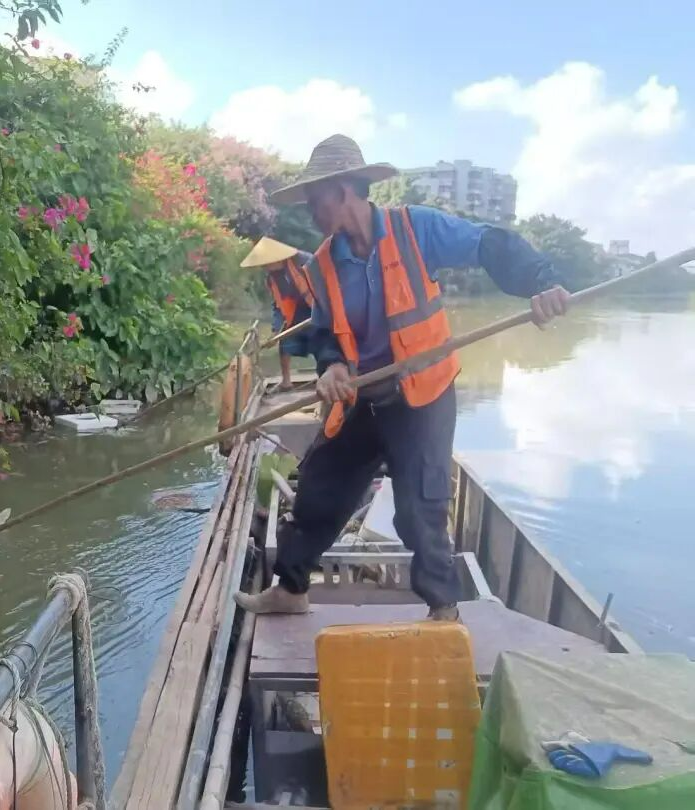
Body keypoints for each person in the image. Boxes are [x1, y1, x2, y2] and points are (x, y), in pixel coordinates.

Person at [234, 134, 572, 621]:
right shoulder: (323, 263)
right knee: (319, 486)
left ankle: (443, 609)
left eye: (315, 200)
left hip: (423, 396)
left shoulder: (416, 228)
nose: (310, 212)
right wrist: (332, 366)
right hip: (363, 397)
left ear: (344, 190)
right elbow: (323, 329)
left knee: (419, 508)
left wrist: (542, 283)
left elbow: (488, 243)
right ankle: (291, 589)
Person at [240, 237, 315, 390]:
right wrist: (276, 330)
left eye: (266, 263)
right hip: (296, 310)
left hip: (317, 305)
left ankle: (324, 375)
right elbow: (278, 306)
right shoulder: (272, 278)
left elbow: (327, 285)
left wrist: (324, 312)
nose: (265, 267)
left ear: (276, 258)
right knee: (285, 341)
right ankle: (286, 381)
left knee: (323, 342)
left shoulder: (305, 262)